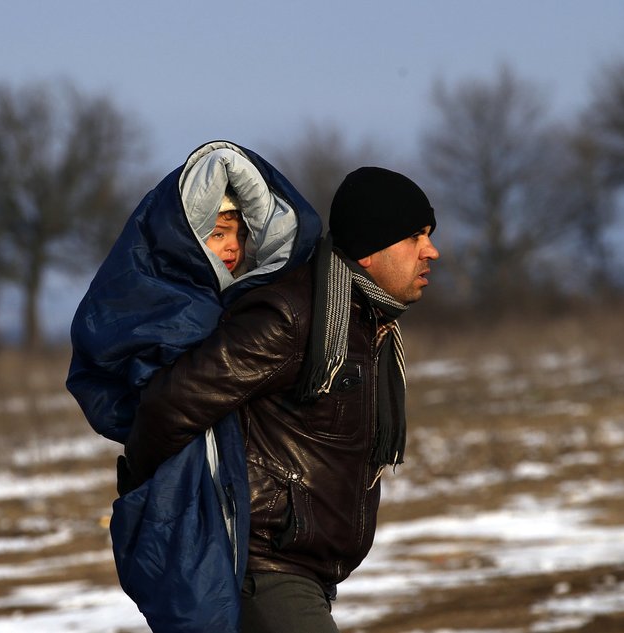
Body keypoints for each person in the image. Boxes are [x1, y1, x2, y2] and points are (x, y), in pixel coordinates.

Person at [124, 166, 440, 633]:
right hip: (266, 569)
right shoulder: (294, 317)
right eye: (416, 236)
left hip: (306, 574)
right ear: (372, 249)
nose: (431, 250)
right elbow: (169, 406)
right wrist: (160, 507)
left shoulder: (366, 325)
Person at [66, 140, 322, 633]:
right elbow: (105, 374)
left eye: (239, 234)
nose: (231, 246)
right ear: (184, 242)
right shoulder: (161, 305)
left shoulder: (256, 310)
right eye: (217, 232)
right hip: (181, 491)